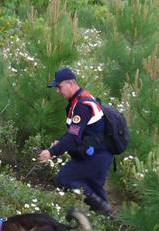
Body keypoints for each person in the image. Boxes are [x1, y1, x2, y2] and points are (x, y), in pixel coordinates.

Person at [38, 67, 113, 215]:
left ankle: (102, 211)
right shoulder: (79, 100)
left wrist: (51, 152)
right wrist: (59, 142)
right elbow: (76, 132)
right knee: (96, 192)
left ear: (70, 84)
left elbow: (73, 136)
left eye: (59, 87)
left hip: (96, 154)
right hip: (99, 153)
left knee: (64, 178)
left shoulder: (81, 105)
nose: (57, 91)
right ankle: (103, 218)